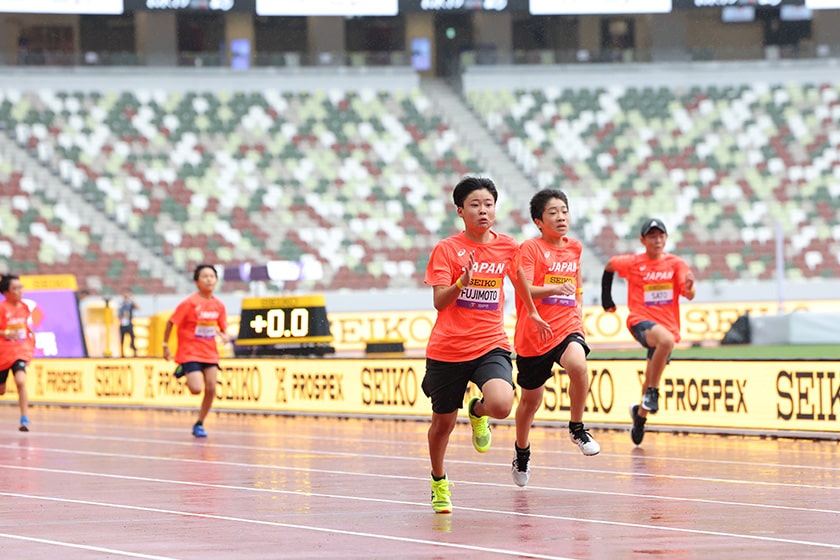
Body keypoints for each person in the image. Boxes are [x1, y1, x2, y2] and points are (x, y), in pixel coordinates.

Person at [422, 176, 552, 514]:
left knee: (502, 404)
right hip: (448, 350)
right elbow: (439, 302)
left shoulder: (508, 246)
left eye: (489, 204)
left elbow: (520, 281)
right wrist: (461, 283)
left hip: (490, 343)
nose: (483, 210)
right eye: (475, 205)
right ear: (460, 211)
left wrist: (534, 314)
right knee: (442, 426)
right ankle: (439, 480)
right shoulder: (447, 250)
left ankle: (477, 411)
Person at [511, 189, 600, 487]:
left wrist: (579, 313)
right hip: (534, 334)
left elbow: (575, 287)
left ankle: (577, 427)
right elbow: (524, 289)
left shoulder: (574, 248)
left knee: (578, 364)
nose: (561, 217)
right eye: (553, 212)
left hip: (565, 327)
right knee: (529, 403)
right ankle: (522, 451)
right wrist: (551, 289)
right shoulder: (530, 249)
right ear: (539, 221)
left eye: (564, 210)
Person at [601, 218, 696, 446]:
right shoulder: (633, 263)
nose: (658, 240)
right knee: (664, 342)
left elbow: (689, 294)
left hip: (668, 327)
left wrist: (691, 287)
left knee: (653, 369)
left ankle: (639, 416)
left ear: (666, 238)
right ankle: (652, 393)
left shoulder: (676, 264)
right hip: (640, 321)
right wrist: (607, 298)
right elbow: (609, 266)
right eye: (652, 236)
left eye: (661, 235)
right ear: (643, 240)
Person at [162, 264, 229, 438]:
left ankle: (199, 422)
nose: (209, 280)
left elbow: (222, 328)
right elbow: (171, 322)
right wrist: (165, 345)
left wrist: (225, 335)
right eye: (205, 276)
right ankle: (183, 368)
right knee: (196, 388)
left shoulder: (219, 306)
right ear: (197, 282)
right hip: (190, 352)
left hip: (210, 352)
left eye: (212, 276)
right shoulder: (189, 304)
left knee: (212, 387)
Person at [0, 274, 35, 432]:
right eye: (16, 288)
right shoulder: (2, 308)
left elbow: (26, 327)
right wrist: (6, 333)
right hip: (3, 353)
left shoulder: (24, 307)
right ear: (6, 292)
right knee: (1, 390)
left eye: (21, 287)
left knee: (20, 381)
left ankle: (24, 419)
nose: (20, 291)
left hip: (19, 351)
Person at [118, 289, 139, 357]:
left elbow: (138, 308)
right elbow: (118, 314)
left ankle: (134, 350)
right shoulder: (121, 304)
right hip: (122, 324)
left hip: (129, 324)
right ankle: (122, 353)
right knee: (122, 339)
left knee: (132, 337)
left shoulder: (130, 304)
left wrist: (132, 299)